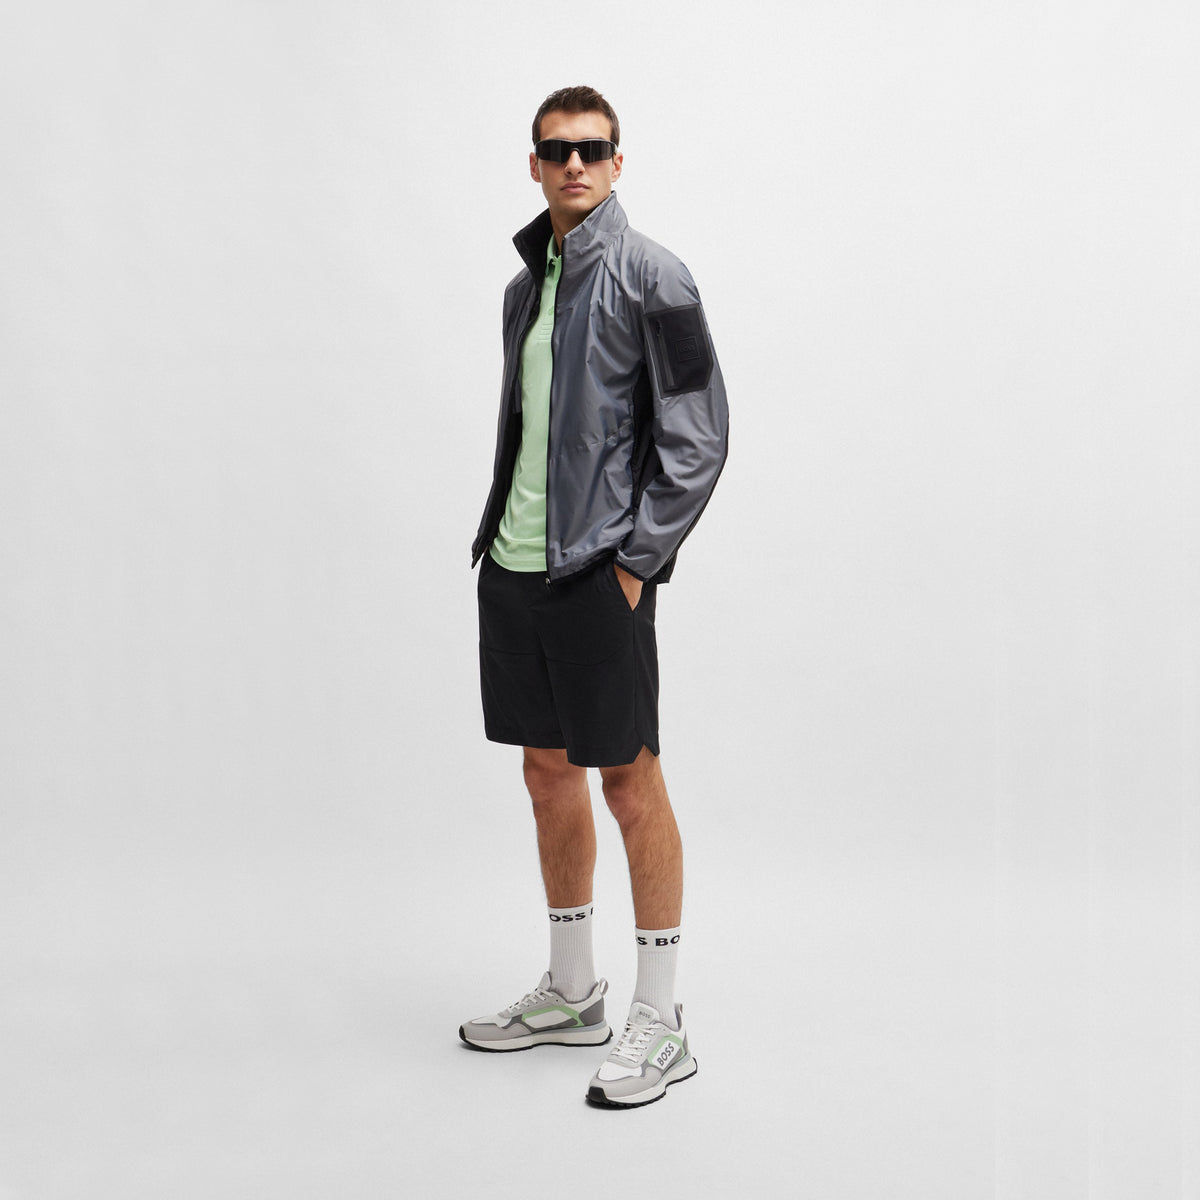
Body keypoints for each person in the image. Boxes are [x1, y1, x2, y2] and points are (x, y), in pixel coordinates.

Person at [460, 85, 728, 1109]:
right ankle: (574, 993)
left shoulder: (655, 275)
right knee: (544, 772)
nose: (574, 163)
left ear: (618, 162)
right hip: (514, 567)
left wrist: (634, 564)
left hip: (597, 574)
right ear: (534, 165)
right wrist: (500, 545)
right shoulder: (522, 289)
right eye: (556, 149)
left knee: (629, 781)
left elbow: (700, 436)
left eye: (592, 148)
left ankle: (662, 1020)